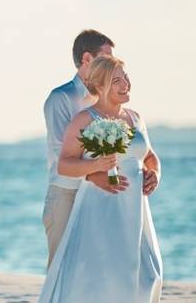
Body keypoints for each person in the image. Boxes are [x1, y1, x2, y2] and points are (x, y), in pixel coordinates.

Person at [11, 55, 175, 303]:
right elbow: (65, 164)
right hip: (101, 208)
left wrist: (155, 174)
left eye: (126, 78)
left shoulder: (135, 117)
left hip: (136, 210)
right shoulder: (85, 119)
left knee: (149, 273)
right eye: (117, 80)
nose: (125, 84)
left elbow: (151, 156)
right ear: (98, 85)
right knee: (106, 279)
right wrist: (94, 168)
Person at [43, 30, 133, 268]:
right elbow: (61, 155)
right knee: (61, 269)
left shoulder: (106, 99)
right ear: (86, 59)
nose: (111, 64)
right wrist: (96, 175)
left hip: (98, 195)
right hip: (66, 194)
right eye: (105, 58)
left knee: (93, 269)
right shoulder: (61, 98)